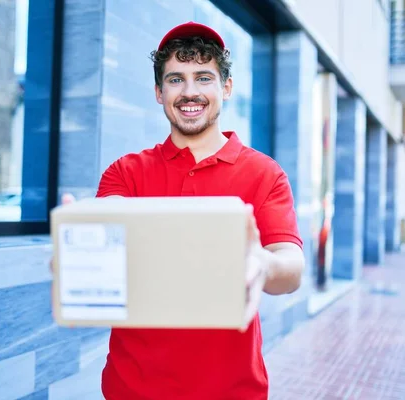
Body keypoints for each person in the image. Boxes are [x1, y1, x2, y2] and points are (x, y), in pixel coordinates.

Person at [87, 21, 304, 399]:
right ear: (159, 92)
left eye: (204, 78)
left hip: (231, 391)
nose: (190, 92)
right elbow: (108, 228)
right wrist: (83, 245)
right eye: (176, 79)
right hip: (133, 389)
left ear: (226, 88)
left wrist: (263, 264)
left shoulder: (264, 174)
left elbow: (290, 266)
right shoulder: (126, 172)